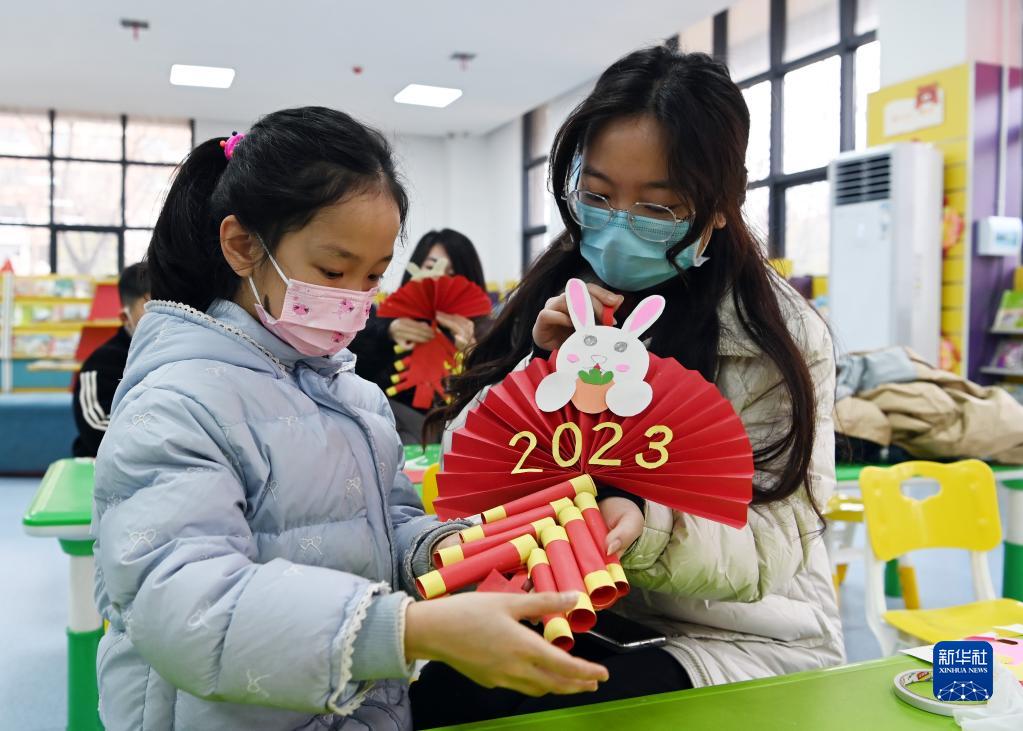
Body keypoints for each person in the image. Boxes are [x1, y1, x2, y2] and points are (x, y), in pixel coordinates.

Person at [91, 107, 607, 731]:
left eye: (373, 276)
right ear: (243, 246)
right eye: (333, 271)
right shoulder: (178, 403)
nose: (354, 298)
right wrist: (405, 630)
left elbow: (383, 527)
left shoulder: (353, 395)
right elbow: (183, 604)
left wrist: (447, 552)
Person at [412, 46, 844, 727]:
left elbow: (773, 545)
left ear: (720, 206)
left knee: (566, 707)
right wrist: (538, 369)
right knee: (441, 695)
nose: (617, 224)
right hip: (563, 598)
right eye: (597, 195)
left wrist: (644, 525)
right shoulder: (559, 292)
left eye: (658, 207)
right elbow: (468, 466)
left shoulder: (774, 337)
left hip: (735, 632)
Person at [349, 228, 489, 444]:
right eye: (431, 267)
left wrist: (471, 356)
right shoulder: (386, 322)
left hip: (456, 431)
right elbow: (357, 370)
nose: (439, 278)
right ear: (415, 269)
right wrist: (388, 331)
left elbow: (492, 398)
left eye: (452, 273)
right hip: (395, 427)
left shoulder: (485, 333)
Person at [71, 262, 149, 457]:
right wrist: (162, 436)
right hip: (100, 464)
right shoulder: (101, 363)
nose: (164, 320)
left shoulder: (181, 355)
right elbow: (95, 427)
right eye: (151, 312)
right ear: (125, 318)